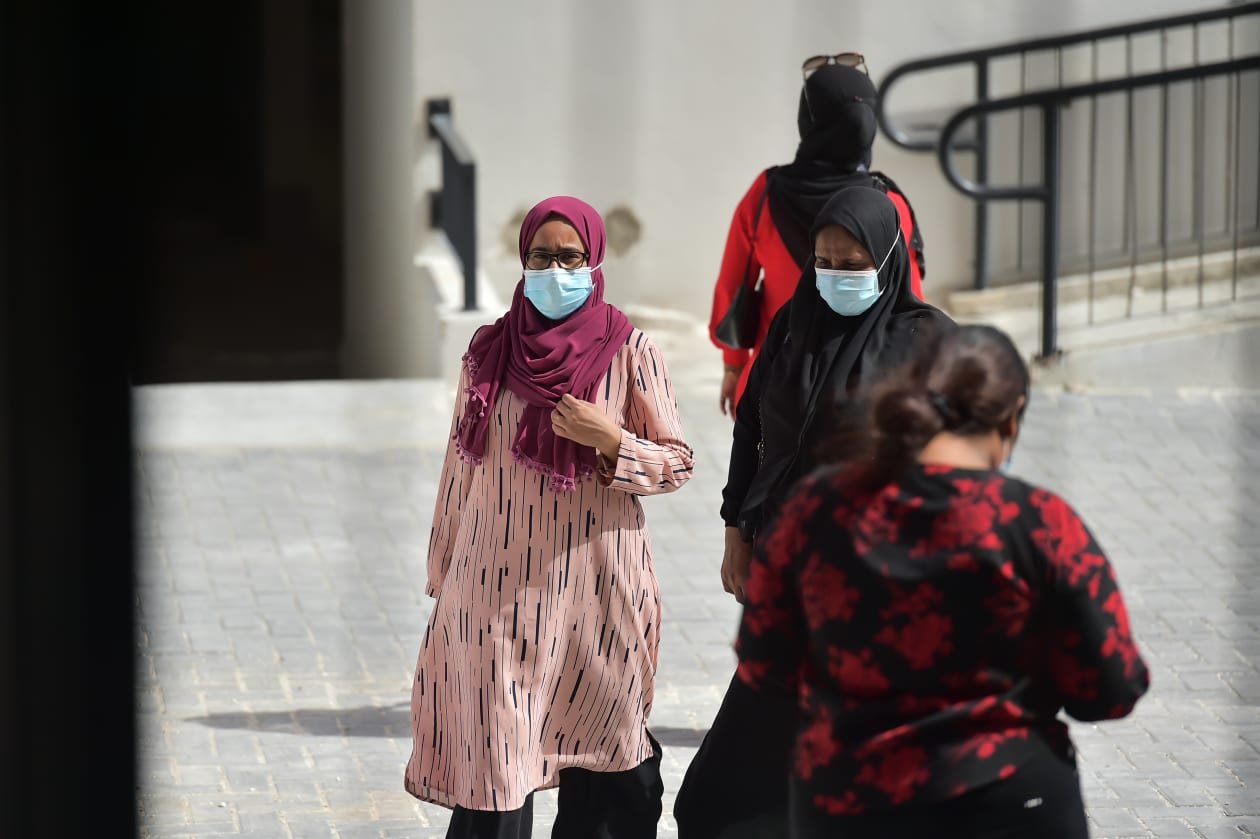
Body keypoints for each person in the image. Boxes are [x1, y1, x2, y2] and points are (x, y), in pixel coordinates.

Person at [735, 323, 1150, 838]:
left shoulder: (816, 509)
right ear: (1013, 416)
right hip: (1010, 799)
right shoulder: (1038, 523)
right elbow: (1110, 687)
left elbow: (765, 666)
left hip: (849, 803)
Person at [405, 196, 695, 838]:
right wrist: (445, 571)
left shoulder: (631, 351)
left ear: (595, 261)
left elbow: (676, 463)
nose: (555, 271)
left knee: (600, 757)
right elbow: (460, 465)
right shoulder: (490, 350)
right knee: (496, 762)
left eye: (570, 257)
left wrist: (611, 439)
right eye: (541, 257)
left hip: (595, 593)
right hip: (495, 591)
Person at [675, 186, 954, 837]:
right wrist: (736, 530)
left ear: (888, 257)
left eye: (852, 264)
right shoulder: (793, 325)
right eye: (823, 261)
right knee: (723, 791)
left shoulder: (929, 341)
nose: (835, 276)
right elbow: (752, 427)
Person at [709, 52, 928, 417]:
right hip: (864, 391)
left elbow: (732, 289)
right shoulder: (887, 203)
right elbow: (910, 301)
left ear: (808, 120)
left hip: (774, 382)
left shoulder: (765, 193)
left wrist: (734, 367)